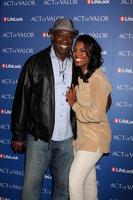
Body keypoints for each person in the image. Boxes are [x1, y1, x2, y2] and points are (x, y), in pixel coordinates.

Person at [11, 18, 79, 200]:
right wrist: (18, 134)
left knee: (63, 190)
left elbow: (91, 91)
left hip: (67, 141)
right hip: (38, 139)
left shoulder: (79, 65)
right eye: (60, 35)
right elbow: (22, 99)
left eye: (69, 36)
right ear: (52, 36)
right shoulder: (35, 62)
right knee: (30, 190)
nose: (65, 40)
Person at [66, 34, 112, 200]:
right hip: (82, 138)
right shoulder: (81, 76)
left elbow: (97, 114)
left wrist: (74, 104)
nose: (76, 54)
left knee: (74, 181)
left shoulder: (98, 78)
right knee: (88, 181)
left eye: (82, 51)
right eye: (75, 50)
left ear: (91, 55)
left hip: (95, 139)